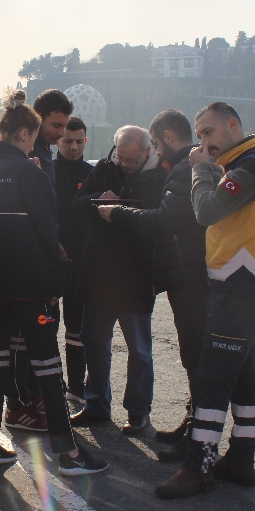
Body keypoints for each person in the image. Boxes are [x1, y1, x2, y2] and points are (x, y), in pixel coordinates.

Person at [0, 89, 107, 476]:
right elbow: (48, 233)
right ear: (26, 134)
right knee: (47, 368)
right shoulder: (30, 172)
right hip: (30, 287)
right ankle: (69, 455)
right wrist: (56, 285)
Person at [155, 102, 255, 499]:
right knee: (244, 375)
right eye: (199, 136)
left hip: (243, 286)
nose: (203, 143)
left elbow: (206, 211)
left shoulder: (252, 167)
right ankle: (241, 459)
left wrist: (199, 169)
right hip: (241, 283)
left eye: (209, 133)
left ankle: (199, 467)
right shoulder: (240, 165)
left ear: (232, 125)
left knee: (212, 378)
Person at [96, 110, 207, 460]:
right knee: (192, 354)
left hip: (189, 274)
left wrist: (117, 212)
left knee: (196, 355)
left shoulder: (183, 171)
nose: (157, 152)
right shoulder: (182, 168)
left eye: (156, 145)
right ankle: (194, 423)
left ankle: (200, 437)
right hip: (183, 272)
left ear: (167, 138)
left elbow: (164, 220)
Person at [69, 126, 166, 435]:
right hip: (99, 273)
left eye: (131, 159)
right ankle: (96, 404)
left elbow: (162, 224)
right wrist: (98, 198)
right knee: (95, 344)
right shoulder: (103, 168)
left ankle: (138, 413)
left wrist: (123, 212)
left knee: (140, 351)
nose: (124, 164)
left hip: (137, 276)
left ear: (147, 151)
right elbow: (76, 206)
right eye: (121, 158)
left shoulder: (160, 176)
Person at [2, 88, 74, 431]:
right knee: (24, 340)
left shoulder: (43, 156)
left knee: (38, 338)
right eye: (56, 126)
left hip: (39, 258)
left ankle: (35, 398)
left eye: (65, 127)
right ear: (35, 122)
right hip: (29, 265)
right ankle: (20, 403)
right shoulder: (25, 160)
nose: (61, 133)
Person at [54, 117, 93, 405]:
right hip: (51, 258)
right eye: (68, 141)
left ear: (86, 141)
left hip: (81, 261)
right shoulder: (45, 172)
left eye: (79, 141)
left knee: (76, 328)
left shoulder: (93, 174)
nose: (74, 147)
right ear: (58, 140)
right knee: (46, 324)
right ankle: (50, 384)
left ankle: (77, 386)